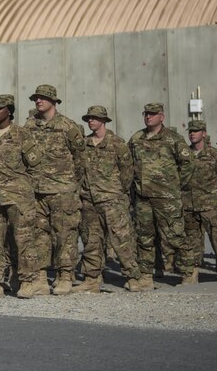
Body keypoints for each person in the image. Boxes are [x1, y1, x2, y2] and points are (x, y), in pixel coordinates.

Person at [0, 95, 41, 299]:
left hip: (18, 198)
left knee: (23, 241)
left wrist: (24, 190)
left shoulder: (22, 135)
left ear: (9, 111)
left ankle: (27, 281)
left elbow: (35, 166)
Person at [75, 106, 145, 293]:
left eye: (95, 118)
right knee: (91, 240)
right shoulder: (85, 143)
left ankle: (132, 276)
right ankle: (91, 278)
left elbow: (127, 171)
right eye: (89, 118)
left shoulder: (117, 143)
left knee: (122, 239)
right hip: (89, 200)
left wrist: (116, 191)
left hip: (112, 199)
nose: (91, 121)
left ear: (104, 121)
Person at [24, 84, 85, 295]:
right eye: (36, 98)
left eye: (42, 98)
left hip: (62, 190)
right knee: (39, 234)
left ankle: (65, 275)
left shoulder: (68, 126)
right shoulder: (29, 126)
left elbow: (80, 158)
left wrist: (71, 185)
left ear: (53, 101)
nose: (38, 101)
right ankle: (41, 276)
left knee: (65, 235)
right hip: (37, 191)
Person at [128, 102, 194, 288]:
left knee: (174, 236)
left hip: (167, 198)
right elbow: (128, 163)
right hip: (143, 198)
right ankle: (146, 276)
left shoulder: (173, 138)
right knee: (144, 237)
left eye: (152, 114)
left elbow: (188, 163)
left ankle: (188, 271)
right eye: (146, 114)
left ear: (161, 117)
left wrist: (176, 185)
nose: (148, 117)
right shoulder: (137, 138)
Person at [182, 120, 217, 282]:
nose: (192, 134)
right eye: (191, 131)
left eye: (196, 131)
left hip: (210, 206)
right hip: (189, 205)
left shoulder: (214, 154)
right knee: (192, 241)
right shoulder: (184, 154)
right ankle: (192, 273)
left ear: (204, 133)